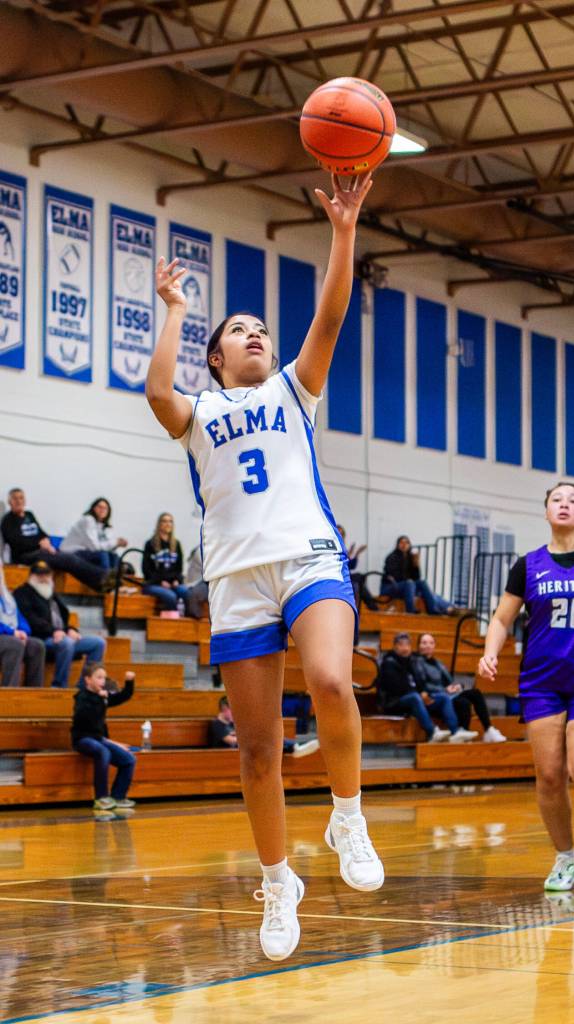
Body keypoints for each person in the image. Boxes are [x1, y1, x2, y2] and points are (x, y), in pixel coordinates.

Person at [146, 171, 383, 962]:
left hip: (307, 556)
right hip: (236, 579)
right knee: (256, 751)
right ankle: (278, 883)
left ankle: (346, 814)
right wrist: (176, 313)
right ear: (214, 358)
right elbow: (156, 391)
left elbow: (331, 311)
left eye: (261, 331)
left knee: (329, 681)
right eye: (239, 332)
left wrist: (343, 231)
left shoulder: (293, 390)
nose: (256, 336)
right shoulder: (198, 413)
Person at [479, 482, 574, 891]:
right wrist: (490, 651)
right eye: (557, 500)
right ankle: (567, 859)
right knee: (549, 776)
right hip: (541, 682)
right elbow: (501, 619)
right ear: (546, 510)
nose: (565, 505)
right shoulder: (527, 565)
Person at [1, 488, 115, 592]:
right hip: (25, 556)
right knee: (68, 558)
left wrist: (46, 541)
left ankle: (103, 581)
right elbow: (15, 542)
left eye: (21, 498)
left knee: (72, 557)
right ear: (10, 501)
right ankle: (102, 578)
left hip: (42, 551)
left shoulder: (29, 515)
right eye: (15, 498)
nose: (18, 501)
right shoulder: (8, 520)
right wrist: (39, 543)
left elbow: (42, 533)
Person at [14, 562, 105, 687]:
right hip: (41, 638)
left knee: (97, 643)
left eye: (47, 575)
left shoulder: (51, 594)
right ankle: (59, 686)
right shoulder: (22, 593)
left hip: (60, 636)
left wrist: (71, 630)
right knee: (66, 643)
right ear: (31, 576)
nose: (44, 578)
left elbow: (63, 620)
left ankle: (85, 686)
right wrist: (53, 631)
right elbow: (31, 620)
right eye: (40, 575)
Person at [377, 632, 474, 742]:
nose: (405, 648)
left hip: (414, 699)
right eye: (401, 645)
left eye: (407, 645)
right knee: (414, 697)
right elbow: (398, 688)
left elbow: (419, 681)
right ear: (395, 647)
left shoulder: (411, 661)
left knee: (443, 698)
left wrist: (423, 692)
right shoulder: (389, 663)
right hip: (393, 702)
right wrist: (420, 694)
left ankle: (455, 732)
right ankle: (432, 732)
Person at [71, 662, 136, 820]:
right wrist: (98, 699)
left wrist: (129, 682)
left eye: (104, 678)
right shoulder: (82, 697)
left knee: (129, 760)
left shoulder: (104, 696)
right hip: (83, 739)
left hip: (99, 739)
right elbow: (83, 717)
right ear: (87, 680)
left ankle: (118, 796)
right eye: (98, 677)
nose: (102, 681)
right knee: (103, 751)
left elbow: (123, 697)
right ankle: (101, 798)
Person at [415, 633, 506, 743]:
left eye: (431, 642)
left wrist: (455, 687)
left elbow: (448, 682)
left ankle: (488, 729)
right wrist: (444, 690)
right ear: (419, 645)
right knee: (463, 702)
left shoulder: (438, 663)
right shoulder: (416, 662)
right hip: (434, 698)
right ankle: (462, 732)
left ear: (434, 645)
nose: (428, 645)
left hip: (447, 694)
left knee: (475, 693)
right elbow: (420, 685)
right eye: (424, 643)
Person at [209, 697, 320, 758]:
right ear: (224, 709)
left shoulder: (231, 723)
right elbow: (230, 740)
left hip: (241, 748)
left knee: (266, 737)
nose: (235, 713)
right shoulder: (217, 724)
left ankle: (292, 747)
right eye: (232, 710)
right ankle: (293, 748)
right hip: (227, 754)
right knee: (262, 739)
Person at [381, 536, 455, 615]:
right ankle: (410, 610)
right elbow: (393, 576)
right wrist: (408, 581)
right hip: (390, 586)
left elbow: (416, 578)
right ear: (397, 545)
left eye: (407, 543)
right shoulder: (391, 557)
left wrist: (416, 565)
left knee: (422, 582)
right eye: (401, 542)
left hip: (407, 587)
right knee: (410, 583)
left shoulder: (410, 557)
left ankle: (432, 609)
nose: (404, 544)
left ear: (409, 545)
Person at [0, 563, 45, 686]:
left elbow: (21, 620)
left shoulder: (7, 597)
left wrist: (23, 632)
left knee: (37, 646)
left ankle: (33, 693)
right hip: (5, 636)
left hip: (9, 636)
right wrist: (12, 633)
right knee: (14, 644)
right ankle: (9, 693)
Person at [61, 498, 127, 571]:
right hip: (72, 552)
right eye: (100, 507)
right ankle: (104, 578)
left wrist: (117, 544)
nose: (102, 510)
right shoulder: (88, 520)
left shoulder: (106, 527)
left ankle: (114, 580)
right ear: (93, 508)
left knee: (114, 556)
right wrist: (115, 542)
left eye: (105, 508)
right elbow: (94, 547)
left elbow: (107, 547)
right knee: (103, 555)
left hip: (87, 553)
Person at [142, 513, 190, 612]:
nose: (168, 524)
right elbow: (146, 569)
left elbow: (179, 568)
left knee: (186, 592)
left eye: (170, 521)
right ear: (159, 524)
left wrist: (176, 580)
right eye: (164, 521)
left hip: (173, 583)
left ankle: (187, 621)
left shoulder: (176, 544)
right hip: (153, 584)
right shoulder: (150, 544)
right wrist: (161, 582)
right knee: (170, 596)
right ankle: (172, 622)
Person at [336, 525, 378, 612]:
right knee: (358, 579)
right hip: (337, 577)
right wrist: (351, 554)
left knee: (358, 581)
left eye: (342, 534)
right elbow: (344, 566)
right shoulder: (333, 548)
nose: (340, 536)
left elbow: (351, 566)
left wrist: (356, 553)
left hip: (345, 577)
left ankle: (371, 607)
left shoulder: (342, 548)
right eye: (338, 533)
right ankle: (372, 607)